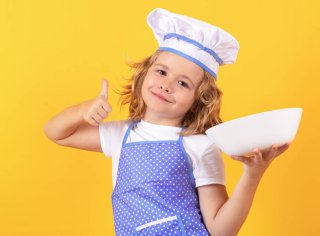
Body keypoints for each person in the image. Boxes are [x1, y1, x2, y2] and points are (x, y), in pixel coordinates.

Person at [44, 8, 290, 236]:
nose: (166, 84)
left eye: (183, 83)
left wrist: (253, 174)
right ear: (143, 74)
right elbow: (56, 132)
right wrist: (82, 110)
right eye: (161, 72)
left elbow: (221, 230)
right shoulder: (122, 135)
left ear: (199, 100)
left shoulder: (199, 146)